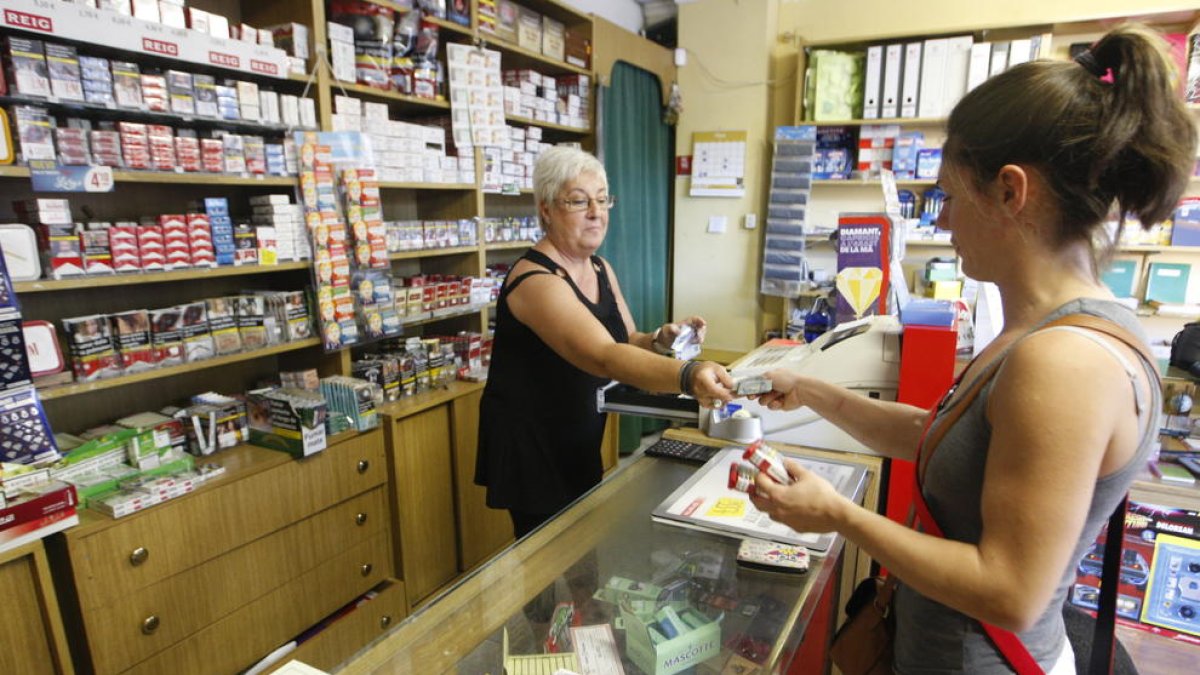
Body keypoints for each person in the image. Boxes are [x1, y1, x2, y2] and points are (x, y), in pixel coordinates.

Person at [749, 25, 1194, 674]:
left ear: (1011, 191)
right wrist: (813, 389)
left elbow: (1010, 591)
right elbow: (947, 439)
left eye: (950, 197)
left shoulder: (1062, 361)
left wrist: (838, 515)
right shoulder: (1039, 330)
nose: (945, 220)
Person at [476, 146, 734, 538]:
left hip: (579, 431)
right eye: (579, 201)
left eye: (602, 199)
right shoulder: (536, 281)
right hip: (533, 446)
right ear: (546, 208)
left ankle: (582, 602)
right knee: (545, 561)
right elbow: (604, 356)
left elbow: (628, 339)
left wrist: (661, 340)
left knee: (583, 547)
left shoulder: (599, 266)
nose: (597, 212)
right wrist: (688, 375)